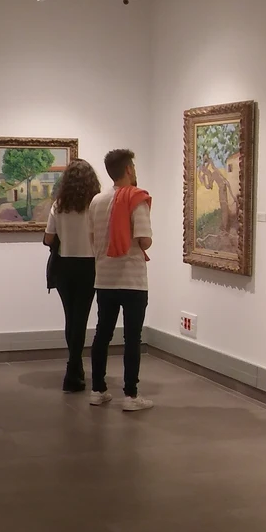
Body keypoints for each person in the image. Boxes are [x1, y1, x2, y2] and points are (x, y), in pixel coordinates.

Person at [89, 148, 153, 412]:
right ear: (128, 169)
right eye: (133, 167)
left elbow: (92, 239)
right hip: (132, 279)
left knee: (102, 333)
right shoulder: (137, 198)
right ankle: (130, 395)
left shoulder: (96, 201)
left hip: (105, 278)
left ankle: (97, 390)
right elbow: (145, 240)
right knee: (132, 337)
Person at [44, 160, 102, 393]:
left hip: (64, 266)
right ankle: (73, 369)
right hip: (89, 266)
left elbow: (48, 239)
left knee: (71, 317)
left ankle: (74, 369)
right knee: (81, 318)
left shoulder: (59, 205)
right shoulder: (95, 206)